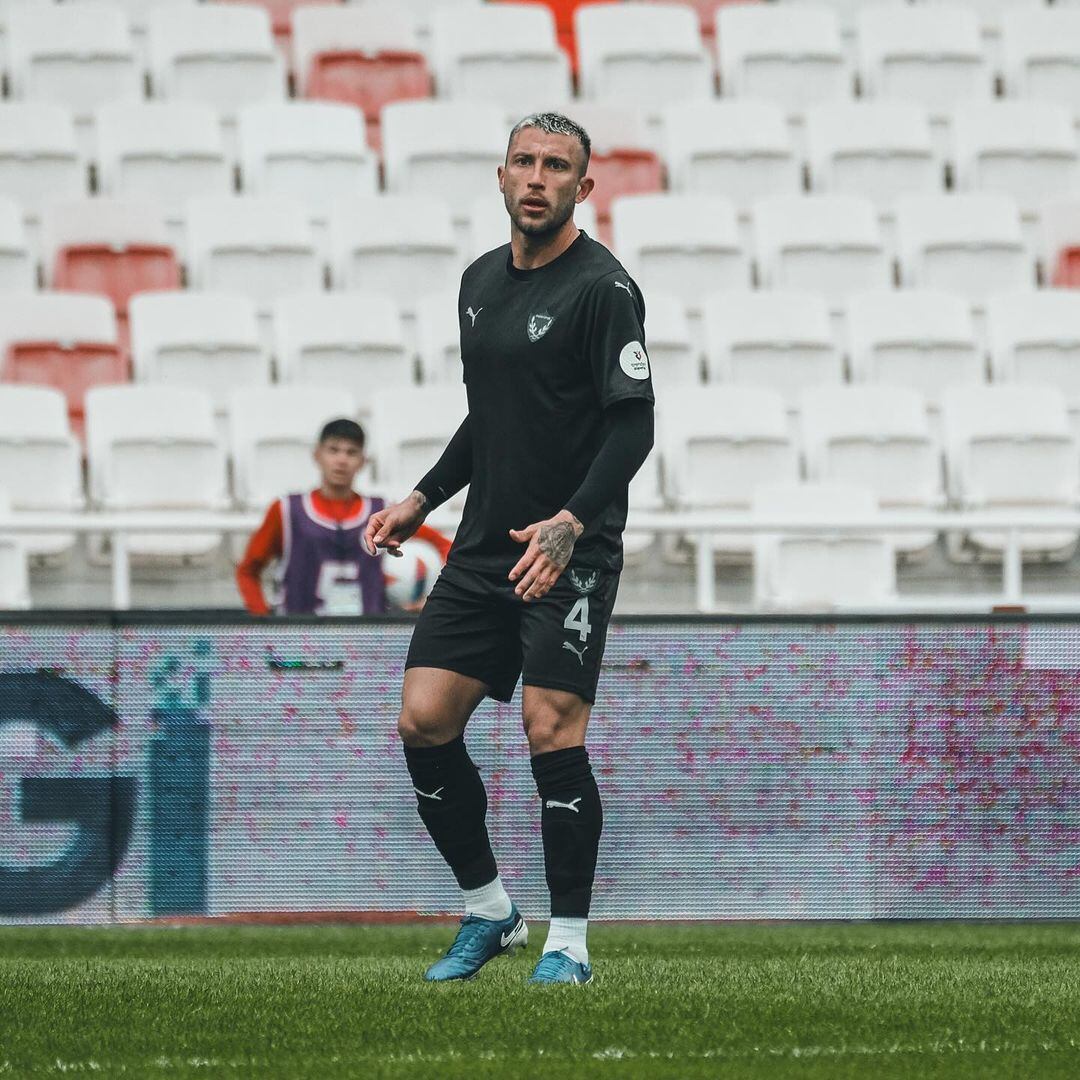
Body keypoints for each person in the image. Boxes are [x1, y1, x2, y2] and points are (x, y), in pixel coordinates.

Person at [363, 113, 655, 985]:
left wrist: (572, 522)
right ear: (500, 177)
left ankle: (569, 941)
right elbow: (488, 416)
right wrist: (423, 496)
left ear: (582, 188)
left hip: (570, 549)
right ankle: (490, 910)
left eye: (557, 166)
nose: (537, 177)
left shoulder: (605, 290)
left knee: (549, 728)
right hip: (485, 544)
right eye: (524, 162)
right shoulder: (478, 282)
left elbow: (634, 426)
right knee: (423, 720)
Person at [236, 418, 450, 616]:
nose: (341, 460)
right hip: (300, 643)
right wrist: (263, 621)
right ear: (317, 455)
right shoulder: (286, 510)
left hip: (366, 642)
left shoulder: (381, 512)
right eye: (333, 450)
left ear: (363, 461)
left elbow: (445, 547)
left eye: (351, 452)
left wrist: (432, 598)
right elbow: (248, 570)